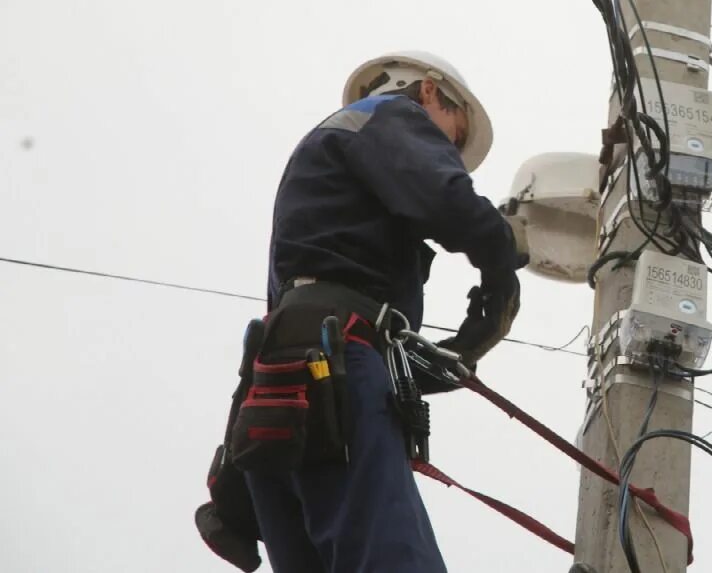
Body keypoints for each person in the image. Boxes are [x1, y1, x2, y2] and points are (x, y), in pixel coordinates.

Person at [200, 51, 523, 573]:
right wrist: (501, 260)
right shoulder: (388, 117)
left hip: (281, 392)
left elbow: (371, 335)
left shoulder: (328, 176)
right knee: (393, 559)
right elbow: (448, 201)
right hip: (333, 369)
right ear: (427, 92)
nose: (448, 153)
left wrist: (457, 354)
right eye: (452, 136)